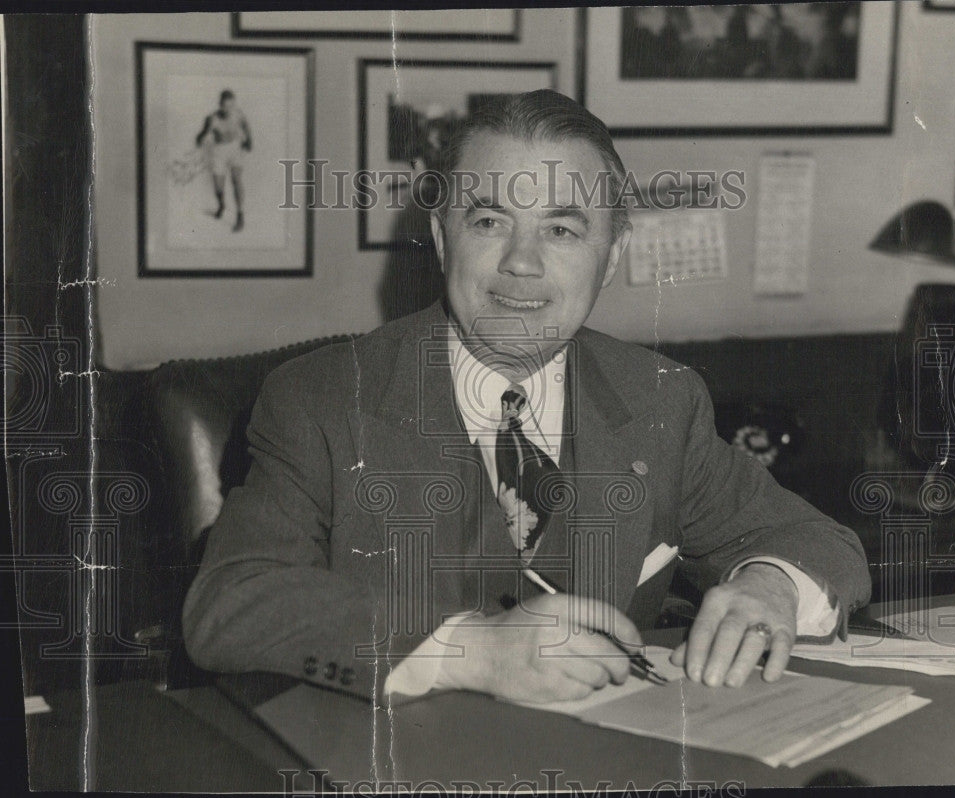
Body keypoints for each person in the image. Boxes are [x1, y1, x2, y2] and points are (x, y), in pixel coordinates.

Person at [183, 90, 870, 705]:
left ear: (612, 254)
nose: (522, 261)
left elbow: (815, 542)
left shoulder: (660, 400)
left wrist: (769, 587)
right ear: (440, 236)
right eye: (489, 222)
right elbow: (229, 604)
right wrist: (473, 651)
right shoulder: (321, 400)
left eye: (562, 230)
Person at [195, 89, 252, 232]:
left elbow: (246, 125)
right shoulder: (212, 119)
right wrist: (199, 139)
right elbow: (203, 133)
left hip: (234, 149)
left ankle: (240, 215)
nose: (228, 109)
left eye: (230, 106)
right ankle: (221, 204)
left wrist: (249, 140)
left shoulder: (238, 114)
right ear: (220, 105)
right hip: (219, 151)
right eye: (225, 106)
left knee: (236, 180)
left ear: (234, 105)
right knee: (218, 188)